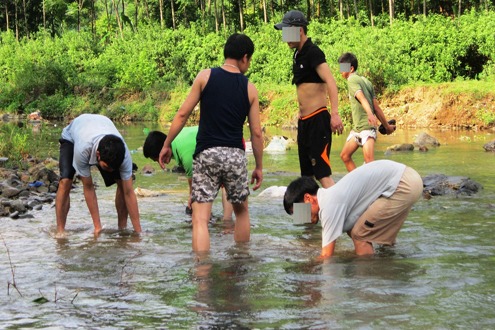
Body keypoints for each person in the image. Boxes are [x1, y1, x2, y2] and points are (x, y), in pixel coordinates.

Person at [158, 33, 264, 252]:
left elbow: (182, 114)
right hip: (235, 155)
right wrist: (259, 166)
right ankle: (240, 266)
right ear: (244, 57)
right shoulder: (249, 88)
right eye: (250, 59)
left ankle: (202, 272)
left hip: (207, 154)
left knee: (200, 219)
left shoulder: (205, 77)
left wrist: (167, 143)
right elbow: (256, 133)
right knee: (241, 212)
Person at [283, 160, 423, 258]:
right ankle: (388, 264)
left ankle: (367, 281)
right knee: (357, 228)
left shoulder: (329, 205)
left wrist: (306, 269)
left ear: (308, 198)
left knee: (359, 234)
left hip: (402, 184)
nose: (301, 220)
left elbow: (326, 256)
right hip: (406, 178)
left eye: (298, 212)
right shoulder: (332, 195)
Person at [274, 10, 343, 188]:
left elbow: (331, 82)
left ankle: (339, 213)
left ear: (300, 30)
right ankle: (306, 217)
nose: (285, 37)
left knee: (322, 174)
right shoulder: (297, 54)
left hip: (318, 120)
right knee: (306, 177)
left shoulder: (313, 52)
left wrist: (334, 114)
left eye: (287, 31)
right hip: (304, 123)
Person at [55, 114, 142, 237]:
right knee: (66, 181)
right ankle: (60, 231)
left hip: (102, 125)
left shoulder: (124, 155)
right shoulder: (83, 149)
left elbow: (129, 192)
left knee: (123, 185)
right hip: (73, 137)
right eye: (107, 167)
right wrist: (97, 227)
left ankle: (122, 228)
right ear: (98, 154)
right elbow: (89, 187)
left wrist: (138, 232)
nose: (110, 171)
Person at [143, 127, 234, 220]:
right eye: (157, 161)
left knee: (225, 184)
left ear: (163, 150)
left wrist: (192, 198)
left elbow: (194, 184)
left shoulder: (186, 155)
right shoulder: (177, 137)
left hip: (230, 145)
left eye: (159, 159)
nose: (160, 163)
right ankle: (225, 226)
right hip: (223, 141)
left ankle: (227, 223)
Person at [338, 52, 396, 172]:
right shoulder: (366, 81)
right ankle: (358, 182)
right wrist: (387, 126)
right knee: (345, 155)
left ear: (351, 68)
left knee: (369, 162)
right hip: (358, 129)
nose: (340, 72)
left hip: (366, 128)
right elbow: (377, 108)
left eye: (342, 68)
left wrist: (370, 114)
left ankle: (373, 188)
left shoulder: (352, 79)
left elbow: (361, 97)